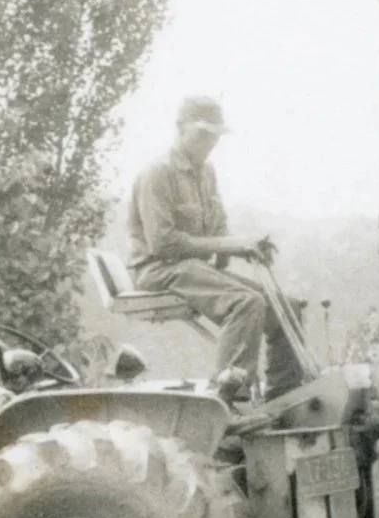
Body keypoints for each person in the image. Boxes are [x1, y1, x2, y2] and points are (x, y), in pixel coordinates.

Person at [127, 96, 305, 401]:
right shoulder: (157, 174)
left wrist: (240, 247)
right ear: (180, 128)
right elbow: (163, 243)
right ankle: (227, 399)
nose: (210, 143)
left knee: (286, 306)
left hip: (192, 267)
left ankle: (283, 401)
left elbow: (218, 226)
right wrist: (228, 245)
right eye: (202, 134)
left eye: (215, 136)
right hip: (158, 269)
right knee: (246, 303)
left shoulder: (206, 172)